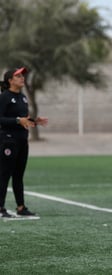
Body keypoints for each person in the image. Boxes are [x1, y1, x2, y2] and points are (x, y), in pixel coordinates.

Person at [0, 67, 48, 218]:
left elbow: (23, 119)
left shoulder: (23, 97)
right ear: (10, 80)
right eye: (18, 76)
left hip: (22, 141)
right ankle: (0, 208)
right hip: (8, 140)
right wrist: (17, 120)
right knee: (4, 174)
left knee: (18, 175)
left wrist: (34, 121)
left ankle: (21, 207)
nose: (22, 78)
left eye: (22, 76)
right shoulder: (4, 97)